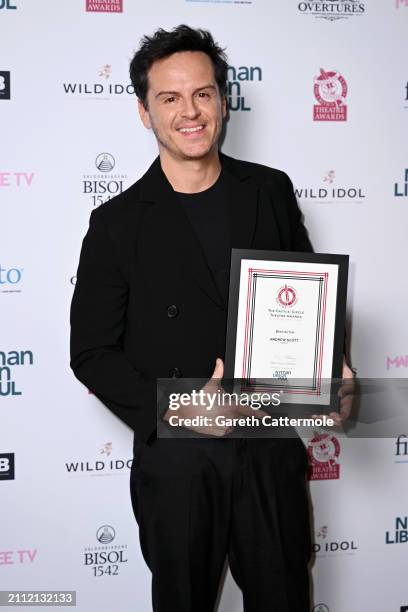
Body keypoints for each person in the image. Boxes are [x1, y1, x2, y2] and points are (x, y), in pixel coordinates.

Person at [70, 24, 353, 612]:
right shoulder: (116, 223)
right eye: (169, 98)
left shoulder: (269, 190)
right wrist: (179, 407)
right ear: (145, 113)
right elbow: (91, 353)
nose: (189, 112)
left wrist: (334, 366)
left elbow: (308, 297)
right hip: (178, 463)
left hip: (269, 448)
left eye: (202, 94)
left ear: (223, 100)